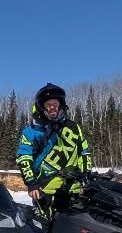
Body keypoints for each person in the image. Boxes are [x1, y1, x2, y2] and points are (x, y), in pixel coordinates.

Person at [16, 83, 94, 220]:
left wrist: (86, 174)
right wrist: (31, 183)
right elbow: (24, 158)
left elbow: (84, 152)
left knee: (79, 230)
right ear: (42, 107)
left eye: (55, 103)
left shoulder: (74, 128)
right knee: (45, 231)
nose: (52, 107)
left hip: (72, 189)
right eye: (48, 104)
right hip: (44, 189)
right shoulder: (31, 131)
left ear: (61, 105)